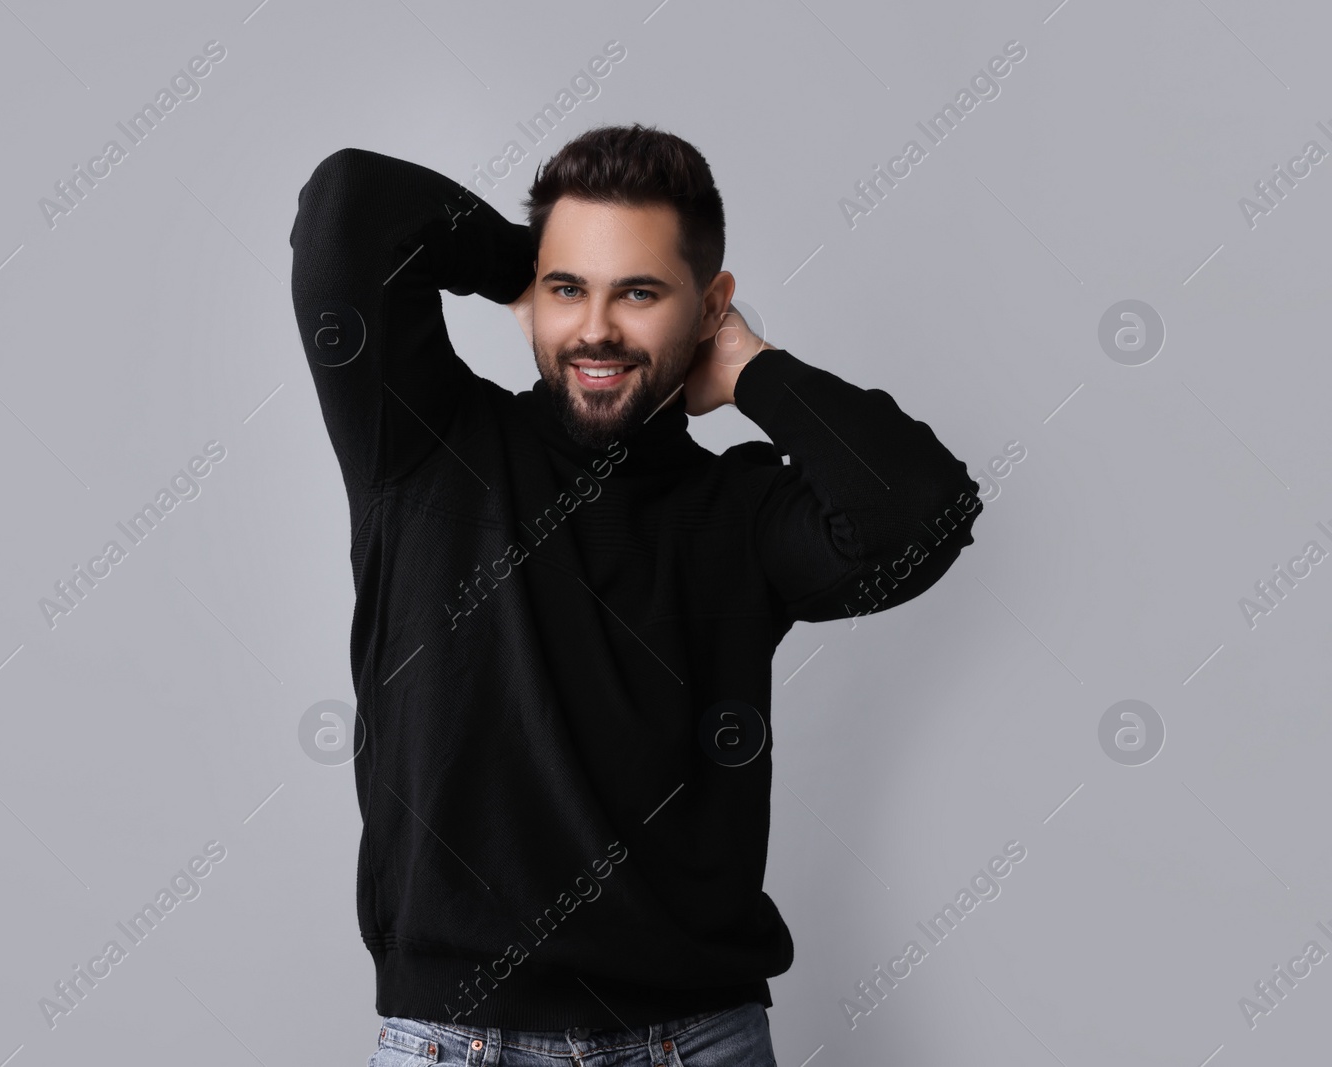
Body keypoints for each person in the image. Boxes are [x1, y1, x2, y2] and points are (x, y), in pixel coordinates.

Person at [289, 123, 983, 1065]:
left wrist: (751, 369)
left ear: (709, 303)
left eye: (640, 292)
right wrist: (524, 266)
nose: (597, 329)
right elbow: (351, 205)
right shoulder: (420, 446)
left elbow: (924, 510)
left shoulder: (740, 512)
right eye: (570, 289)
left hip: (697, 1042)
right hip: (455, 1043)